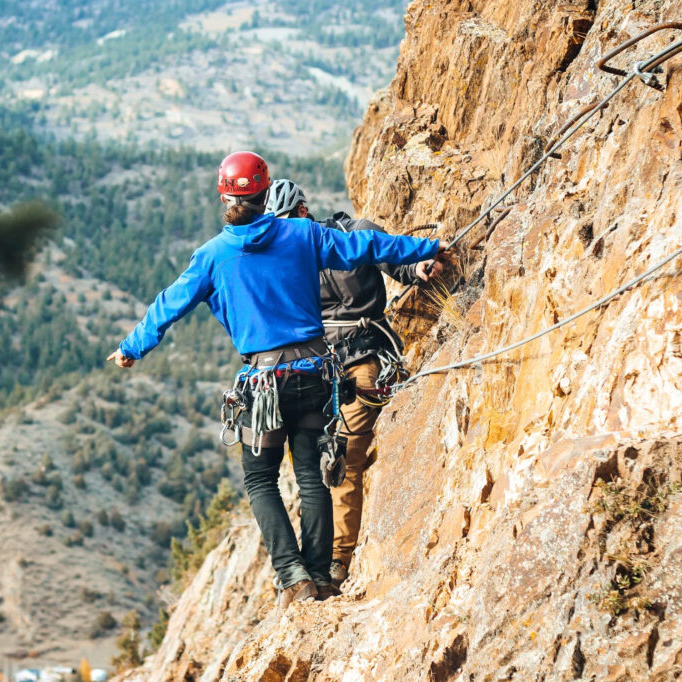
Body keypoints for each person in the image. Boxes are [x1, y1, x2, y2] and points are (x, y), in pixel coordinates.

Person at [107, 151, 446, 608]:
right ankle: (322, 577)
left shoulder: (212, 257)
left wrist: (132, 348)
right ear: (265, 194)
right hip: (314, 373)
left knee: (262, 479)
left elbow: (169, 305)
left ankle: (293, 575)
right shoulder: (303, 234)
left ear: (224, 196)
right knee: (311, 475)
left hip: (265, 382)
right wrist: (427, 248)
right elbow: (366, 246)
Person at [264, 178, 444, 587]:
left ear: (303, 214)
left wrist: (417, 267)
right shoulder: (287, 257)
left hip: (365, 357)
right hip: (316, 369)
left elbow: (393, 259)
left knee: (345, 458)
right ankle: (319, 558)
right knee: (313, 465)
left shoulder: (355, 233)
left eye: (287, 223)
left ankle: (337, 561)